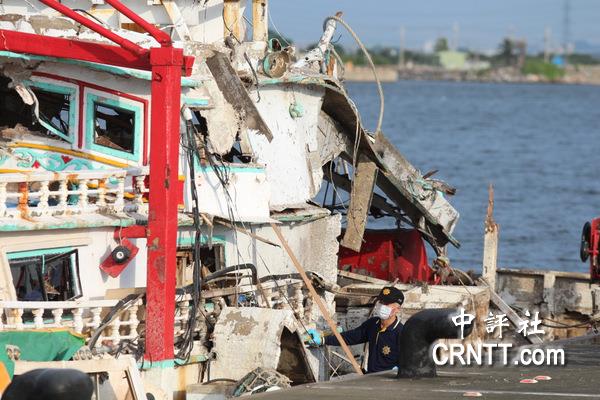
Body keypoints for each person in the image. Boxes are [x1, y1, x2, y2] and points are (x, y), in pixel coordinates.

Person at [308, 286, 404, 373]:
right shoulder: (373, 324)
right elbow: (351, 337)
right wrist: (324, 340)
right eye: (381, 302)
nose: (382, 306)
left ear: (397, 309)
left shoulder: (402, 333)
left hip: (389, 382)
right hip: (371, 379)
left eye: (386, 303)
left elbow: (408, 361)